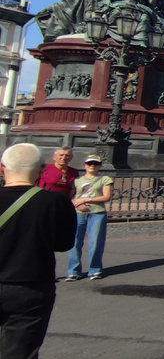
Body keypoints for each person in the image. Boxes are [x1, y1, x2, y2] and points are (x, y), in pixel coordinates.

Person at [0, 143, 77, 358]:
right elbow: (63, 245)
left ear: (1, 168)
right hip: (30, 286)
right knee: (20, 350)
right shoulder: (56, 201)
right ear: (42, 170)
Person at [65, 154, 114, 281]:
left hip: (97, 213)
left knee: (96, 241)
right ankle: (73, 271)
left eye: (95, 164)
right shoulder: (76, 181)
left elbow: (106, 197)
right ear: (85, 166)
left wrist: (87, 199)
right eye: (89, 163)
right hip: (79, 213)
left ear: (100, 166)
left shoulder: (105, 179)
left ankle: (95, 269)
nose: (92, 166)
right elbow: (70, 197)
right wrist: (77, 203)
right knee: (75, 242)